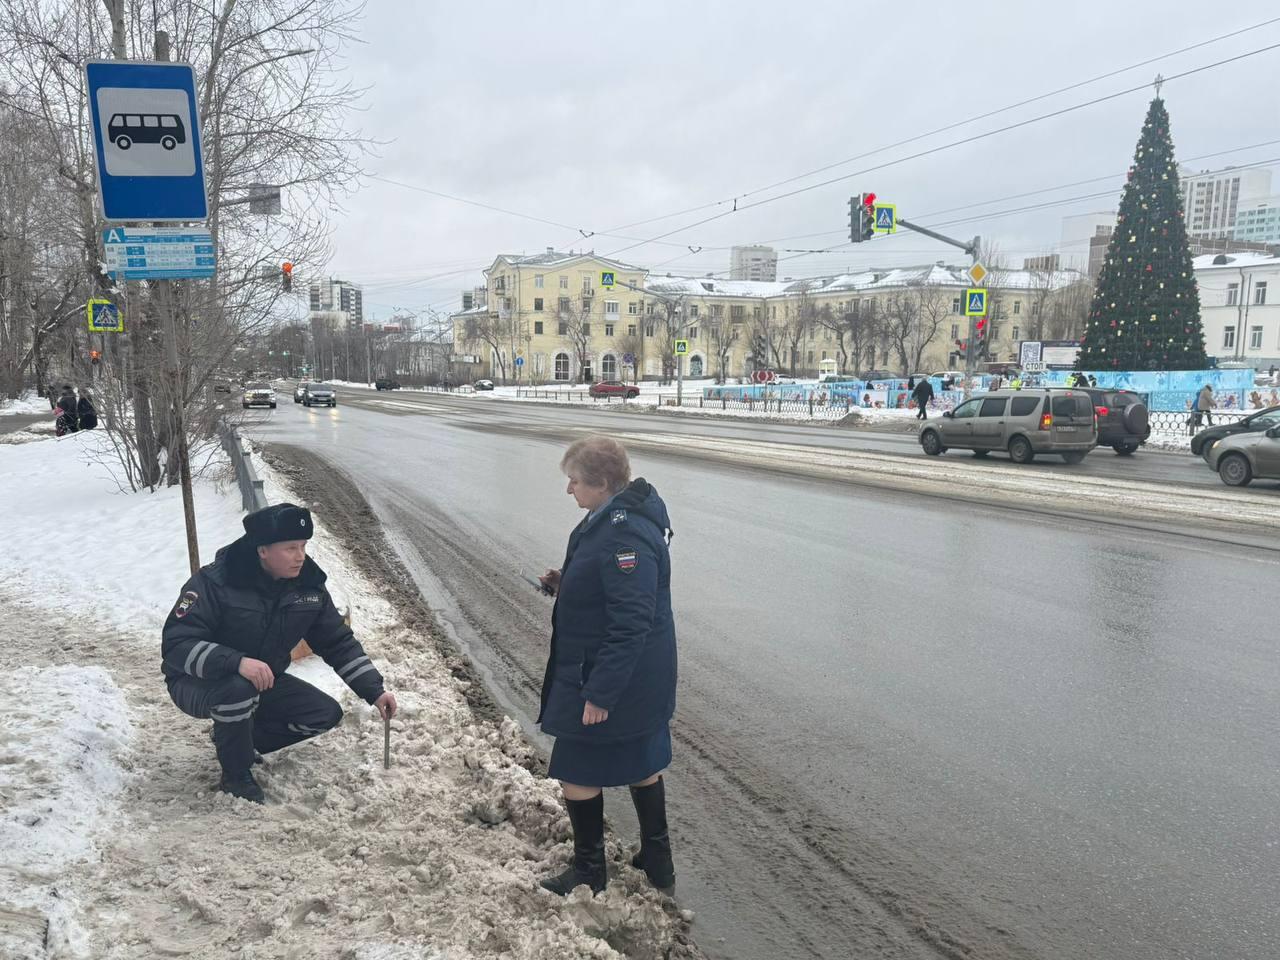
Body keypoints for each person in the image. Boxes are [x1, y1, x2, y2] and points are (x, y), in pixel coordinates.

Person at [161, 502, 397, 803]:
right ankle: (237, 775)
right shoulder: (216, 582)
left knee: (323, 714)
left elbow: (337, 642)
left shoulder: (309, 588)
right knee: (236, 689)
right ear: (262, 550)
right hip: (196, 681)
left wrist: (374, 691)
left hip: (262, 680)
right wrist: (236, 662)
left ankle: (237, 739)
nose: (300, 556)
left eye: (303, 546)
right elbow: (176, 645)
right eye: (290, 548)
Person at [536, 437, 678, 897]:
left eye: (574, 481)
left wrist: (601, 693)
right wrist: (567, 585)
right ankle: (657, 861)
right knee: (642, 758)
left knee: (576, 767)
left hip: (615, 675)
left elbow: (632, 620)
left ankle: (589, 871)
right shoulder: (606, 518)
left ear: (599, 484)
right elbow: (613, 594)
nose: (568, 490)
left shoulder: (625, 533)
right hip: (632, 674)